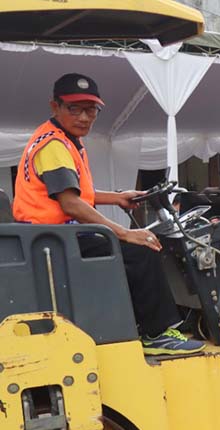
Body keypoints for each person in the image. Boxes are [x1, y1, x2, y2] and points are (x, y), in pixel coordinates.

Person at [12, 73, 203, 355]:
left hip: (53, 237)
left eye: (91, 110)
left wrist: (117, 197)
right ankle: (156, 334)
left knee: (130, 246)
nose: (84, 117)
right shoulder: (54, 145)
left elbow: (73, 194)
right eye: (74, 109)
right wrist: (126, 232)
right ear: (55, 106)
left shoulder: (61, 139)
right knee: (143, 250)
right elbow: (71, 205)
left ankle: (142, 323)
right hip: (53, 241)